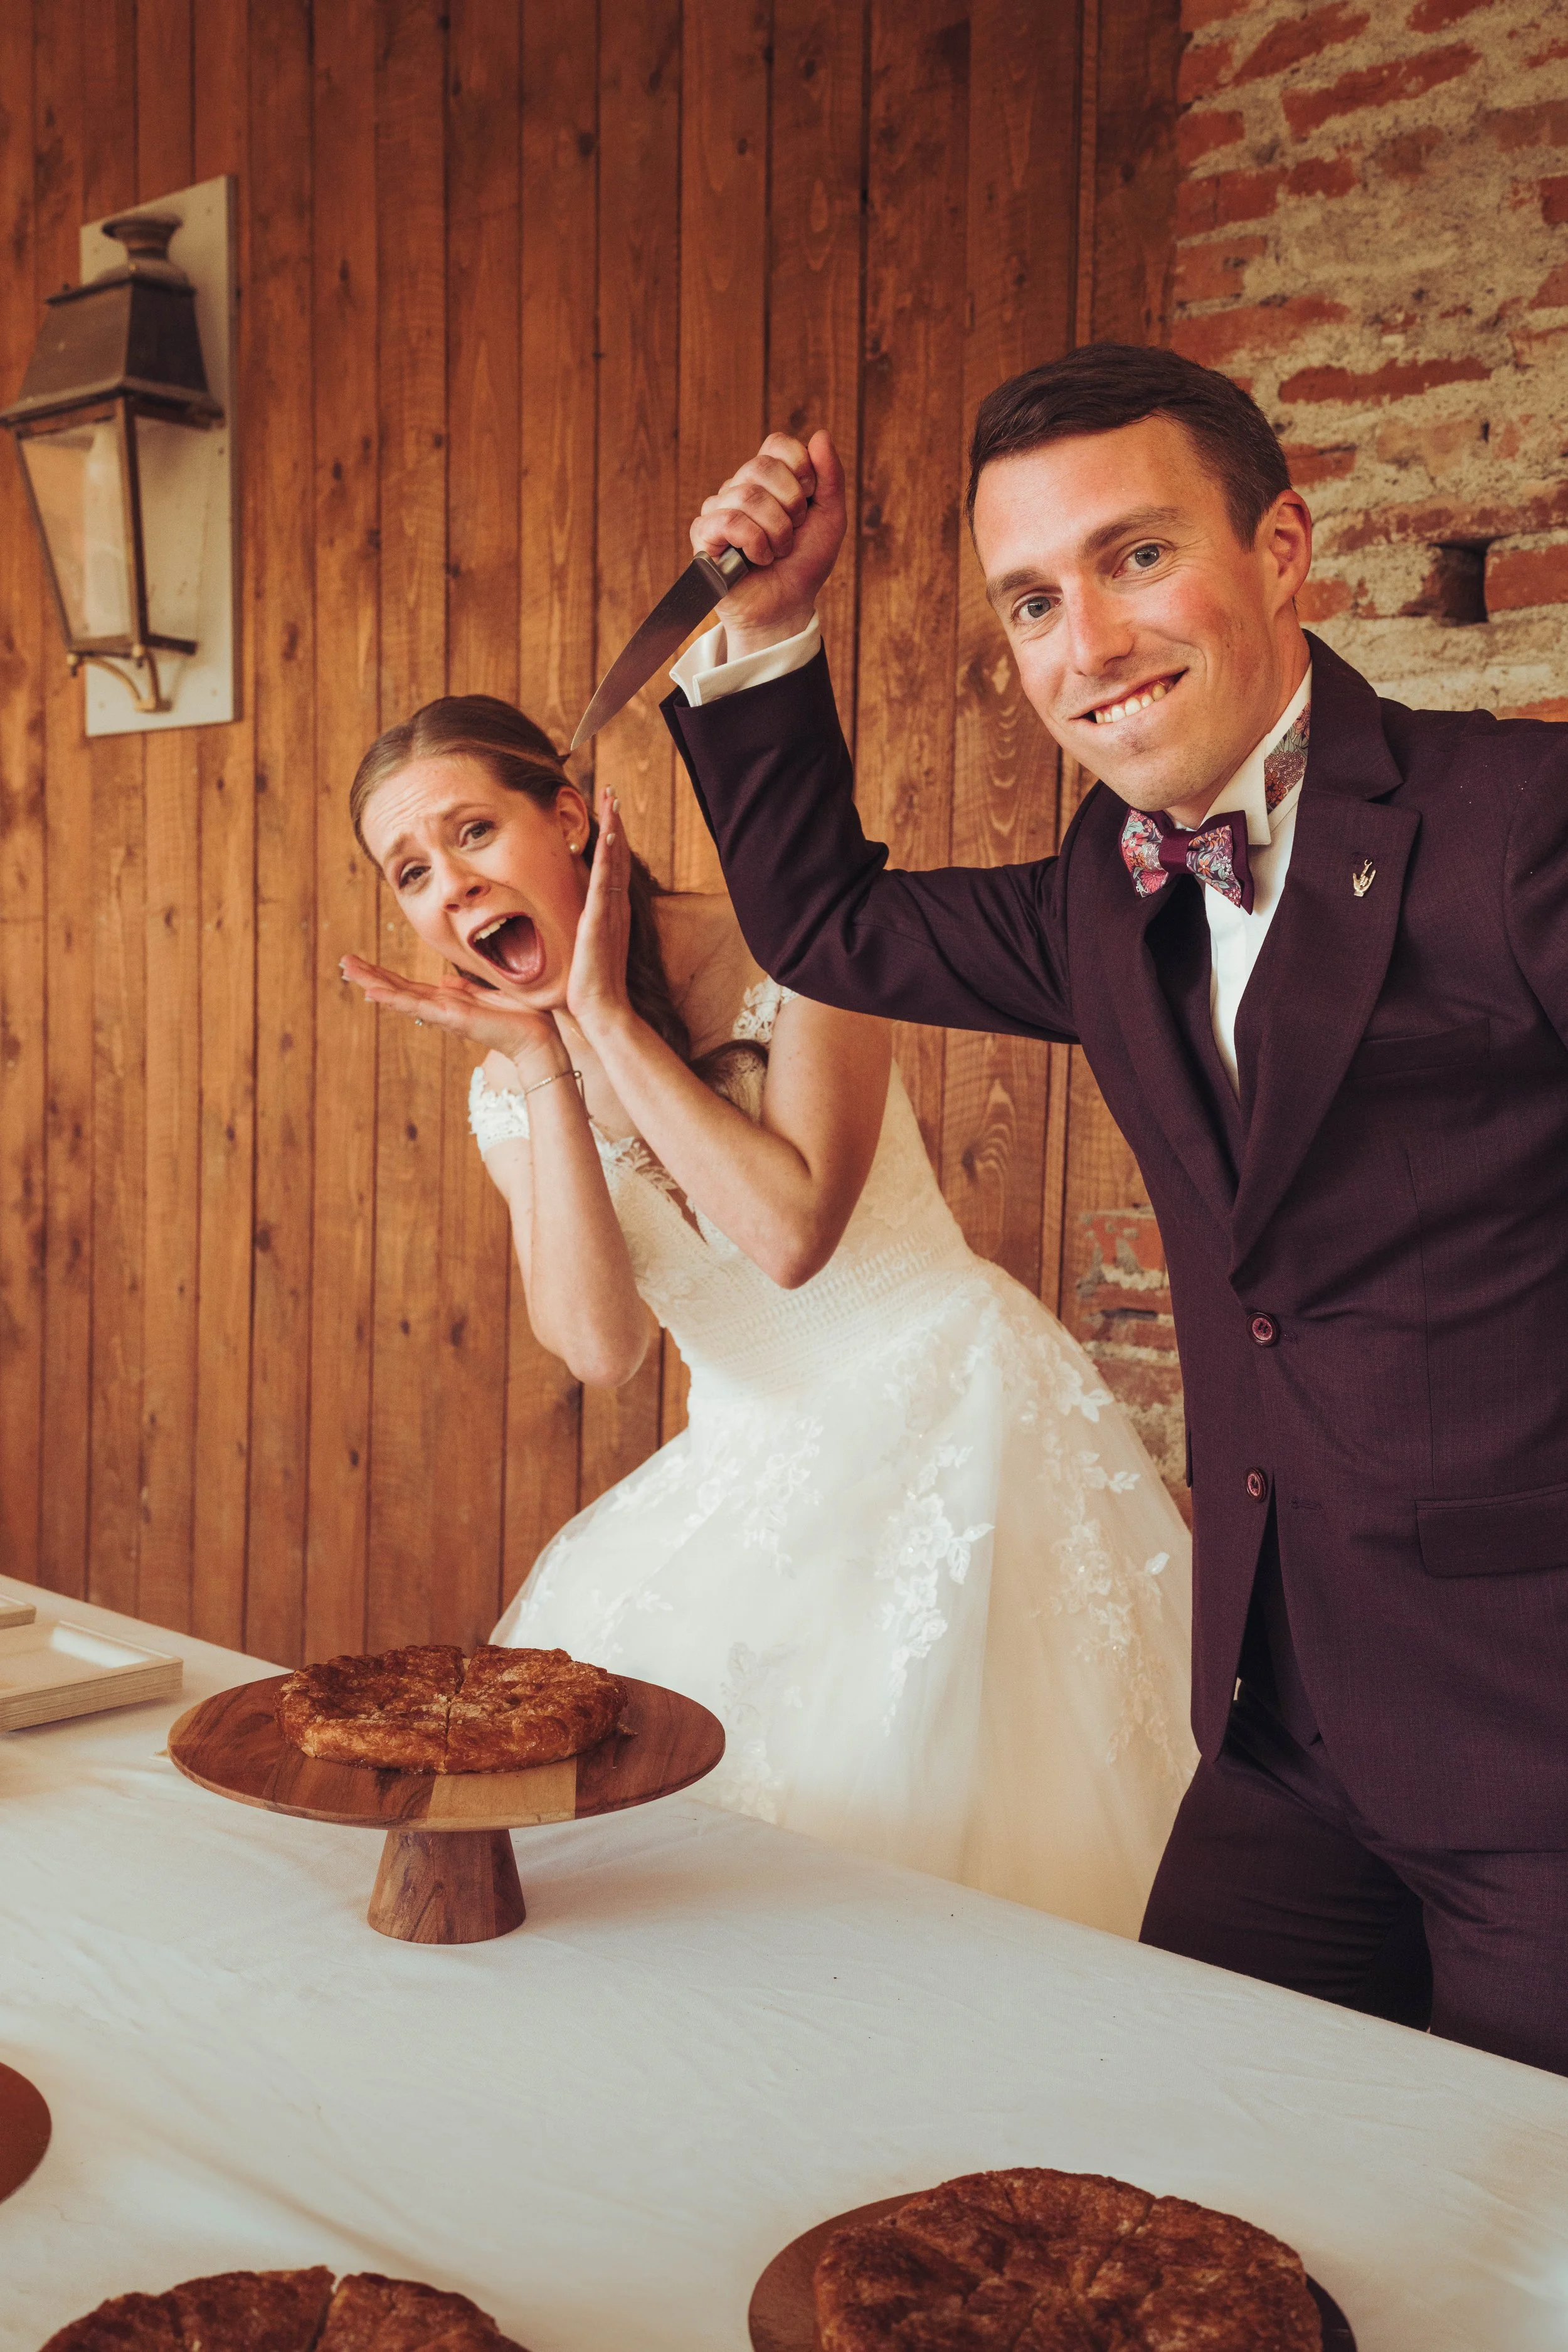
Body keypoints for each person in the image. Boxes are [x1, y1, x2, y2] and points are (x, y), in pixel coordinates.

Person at [662, 341, 1568, 2077]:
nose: (1082, 645)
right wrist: (772, 624)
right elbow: (832, 926)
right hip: (1276, 1744)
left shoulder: (1518, 827)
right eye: (1026, 601)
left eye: (1134, 555)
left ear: (1282, 552)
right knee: (1184, 2171)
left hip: (1537, 1755)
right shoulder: (1103, 887)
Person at [341, 693, 1195, 1937]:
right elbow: (604, 1348)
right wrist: (543, 1063)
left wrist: (606, 1023)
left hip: (958, 1423)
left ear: (570, 817)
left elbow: (790, 1233)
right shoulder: (508, 1076)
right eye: (411, 871)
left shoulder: (796, 945)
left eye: (472, 832)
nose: (449, 887)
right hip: (749, 1466)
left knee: (962, 1866)